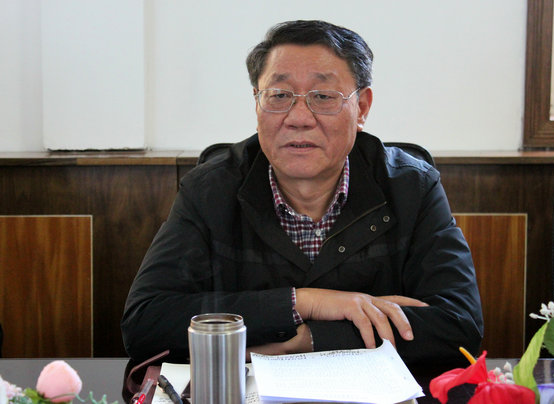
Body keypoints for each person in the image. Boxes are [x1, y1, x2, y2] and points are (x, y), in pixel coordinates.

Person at [121, 20, 483, 366]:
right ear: (257, 102)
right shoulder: (209, 189)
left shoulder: (411, 187)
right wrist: (304, 302)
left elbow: (460, 326)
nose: (299, 118)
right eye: (279, 95)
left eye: (323, 96)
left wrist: (309, 340)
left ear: (362, 107)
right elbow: (145, 322)